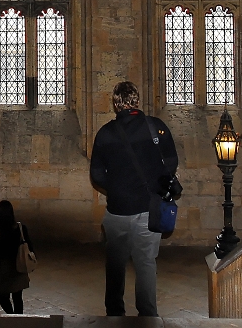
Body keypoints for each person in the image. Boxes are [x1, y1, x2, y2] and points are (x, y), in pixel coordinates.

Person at [89, 80, 178, 317]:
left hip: (118, 210)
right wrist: (156, 186)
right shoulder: (155, 127)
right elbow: (171, 162)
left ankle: (115, 314)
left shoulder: (105, 133)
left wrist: (116, 189)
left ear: (116, 103)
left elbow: (96, 174)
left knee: (115, 265)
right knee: (146, 262)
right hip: (149, 208)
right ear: (136, 100)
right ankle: (147, 316)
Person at [0, 200, 31, 314]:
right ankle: (17, 320)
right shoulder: (21, 228)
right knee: (17, 298)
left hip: (2, 270)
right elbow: (30, 247)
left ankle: (11, 316)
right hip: (18, 268)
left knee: (3, 298)